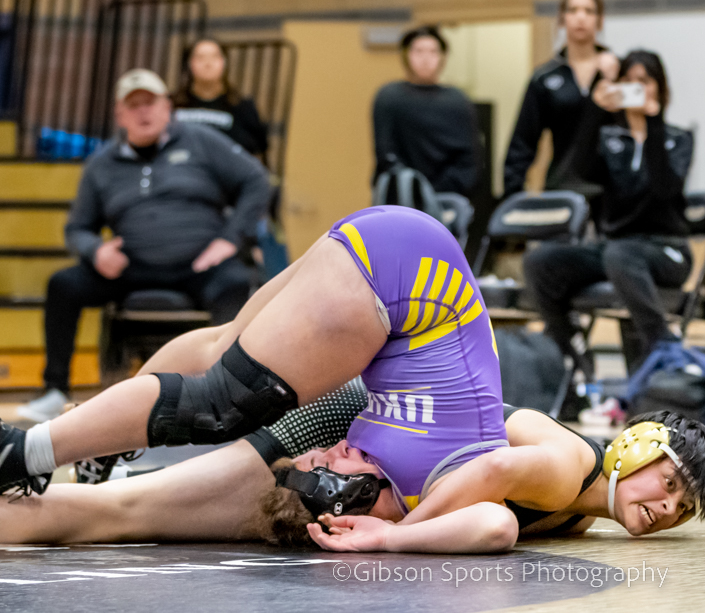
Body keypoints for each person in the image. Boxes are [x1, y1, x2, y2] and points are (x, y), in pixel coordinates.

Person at [1, 206, 506, 521]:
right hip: (406, 282)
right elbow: (495, 524)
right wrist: (397, 540)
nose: (331, 454)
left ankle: (97, 442)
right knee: (224, 404)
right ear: (356, 501)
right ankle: (20, 452)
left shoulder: (388, 474)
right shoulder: (451, 489)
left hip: (393, 251)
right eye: (334, 470)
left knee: (219, 352)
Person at [0, 378, 705, 553]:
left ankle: (115, 457)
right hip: (344, 436)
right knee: (207, 402)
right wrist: (390, 535)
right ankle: (61, 440)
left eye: (683, 509)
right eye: (672, 484)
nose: (668, 508)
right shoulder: (568, 462)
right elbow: (485, 486)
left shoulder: (578, 509)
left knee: (135, 507)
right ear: (639, 444)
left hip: (353, 473)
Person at [18, 68, 271, 424]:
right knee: (63, 284)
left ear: (167, 107)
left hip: (200, 265)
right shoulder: (101, 164)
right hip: (130, 267)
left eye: (150, 102)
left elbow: (256, 181)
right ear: (120, 115)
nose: (143, 112)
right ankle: (54, 389)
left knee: (234, 283)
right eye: (133, 105)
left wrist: (230, 239)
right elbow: (77, 228)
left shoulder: (201, 141)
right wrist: (96, 251)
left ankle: (227, 395)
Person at [523, 50, 691, 383]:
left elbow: (663, 191)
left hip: (665, 250)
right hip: (615, 249)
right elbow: (576, 173)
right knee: (540, 262)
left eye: (644, 81)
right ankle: (569, 351)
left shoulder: (678, 139)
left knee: (620, 253)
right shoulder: (608, 139)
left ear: (661, 88)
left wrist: (653, 122)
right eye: (628, 81)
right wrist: (596, 110)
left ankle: (661, 346)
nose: (635, 88)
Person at [503, 0, 617, 197]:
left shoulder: (619, 71)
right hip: (564, 187)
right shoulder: (544, 78)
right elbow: (522, 143)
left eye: (589, 11)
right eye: (573, 10)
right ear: (562, 19)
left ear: (599, 20)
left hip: (612, 190)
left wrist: (614, 79)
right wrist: (513, 196)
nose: (580, 17)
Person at [371, 25, 482, 198]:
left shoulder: (457, 100)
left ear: (443, 57)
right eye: (418, 51)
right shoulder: (389, 97)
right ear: (406, 55)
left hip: (447, 197)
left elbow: (468, 159)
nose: (425, 59)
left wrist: (436, 194)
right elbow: (386, 153)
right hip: (399, 195)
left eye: (433, 52)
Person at [172, 38, 270, 159]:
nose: (208, 63)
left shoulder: (242, 107)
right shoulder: (172, 104)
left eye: (214, 57)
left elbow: (257, 151)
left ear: (224, 62)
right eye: (200, 58)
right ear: (188, 64)